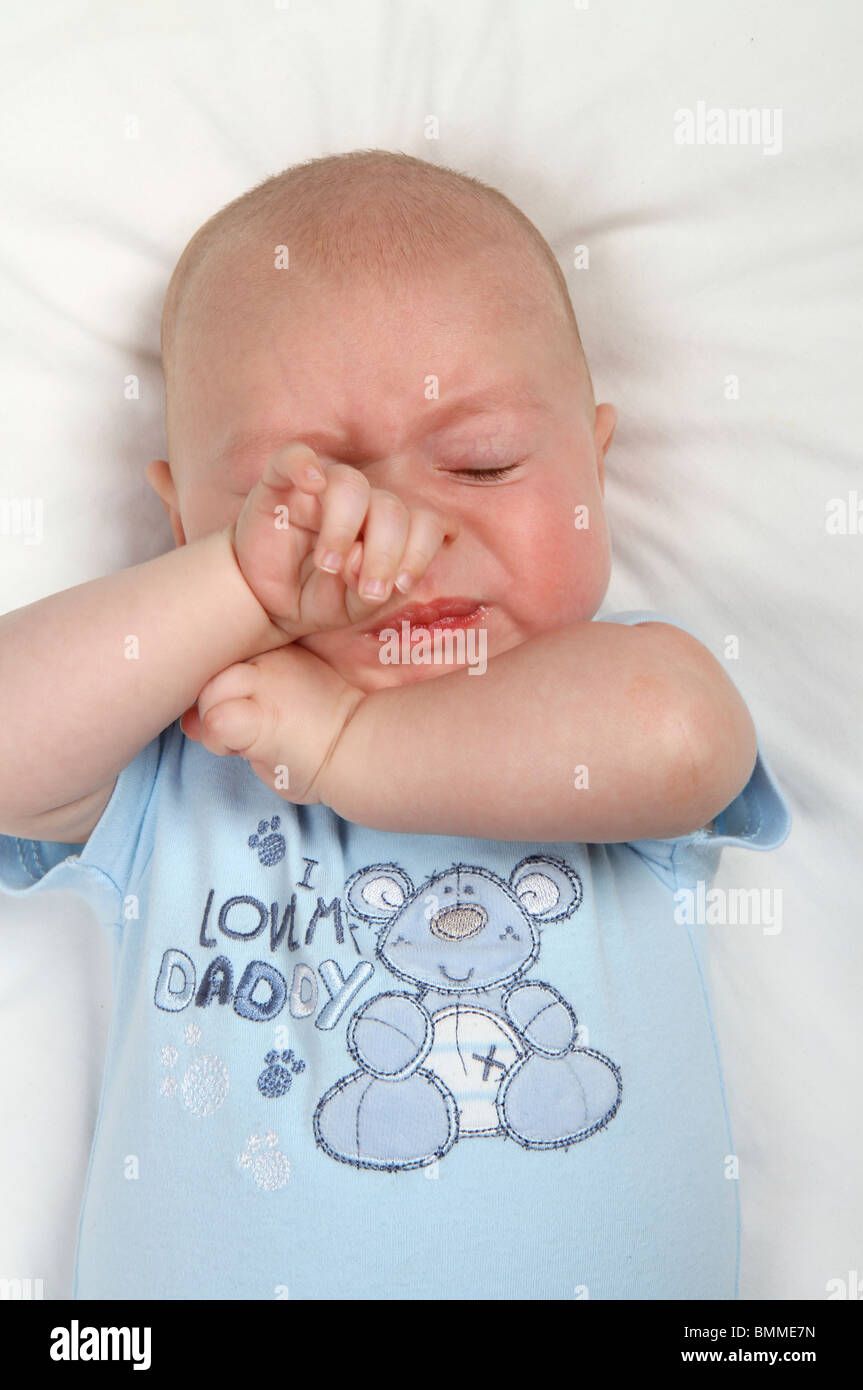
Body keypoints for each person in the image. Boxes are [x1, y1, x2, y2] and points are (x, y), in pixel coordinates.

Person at [0, 149, 790, 1299]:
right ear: (183, 524)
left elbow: (680, 737)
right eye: (299, 490)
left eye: (484, 462)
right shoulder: (190, 737)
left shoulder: (602, 694)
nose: (401, 534)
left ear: (594, 467)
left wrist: (342, 750)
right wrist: (240, 592)